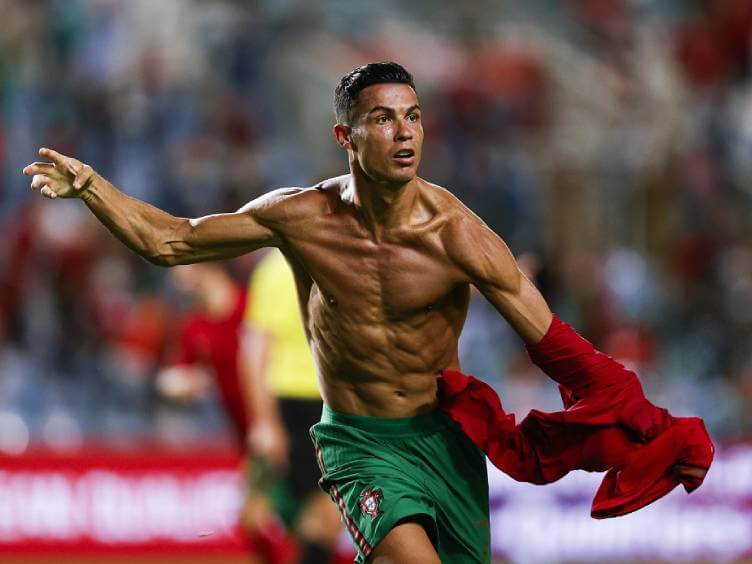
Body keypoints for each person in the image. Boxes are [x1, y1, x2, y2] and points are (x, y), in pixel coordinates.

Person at [22, 62, 710, 563]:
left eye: (413, 116)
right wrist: (94, 189)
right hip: (358, 444)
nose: (404, 132)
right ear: (345, 136)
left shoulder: (458, 235)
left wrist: (640, 420)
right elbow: (172, 240)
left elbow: (555, 344)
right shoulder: (301, 218)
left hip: (445, 443)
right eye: (383, 118)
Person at [242, 249, 346, 564]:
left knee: (325, 513)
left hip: (331, 403)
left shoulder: (334, 261)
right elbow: (254, 347)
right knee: (324, 512)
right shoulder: (277, 270)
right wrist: (264, 421)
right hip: (293, 403)